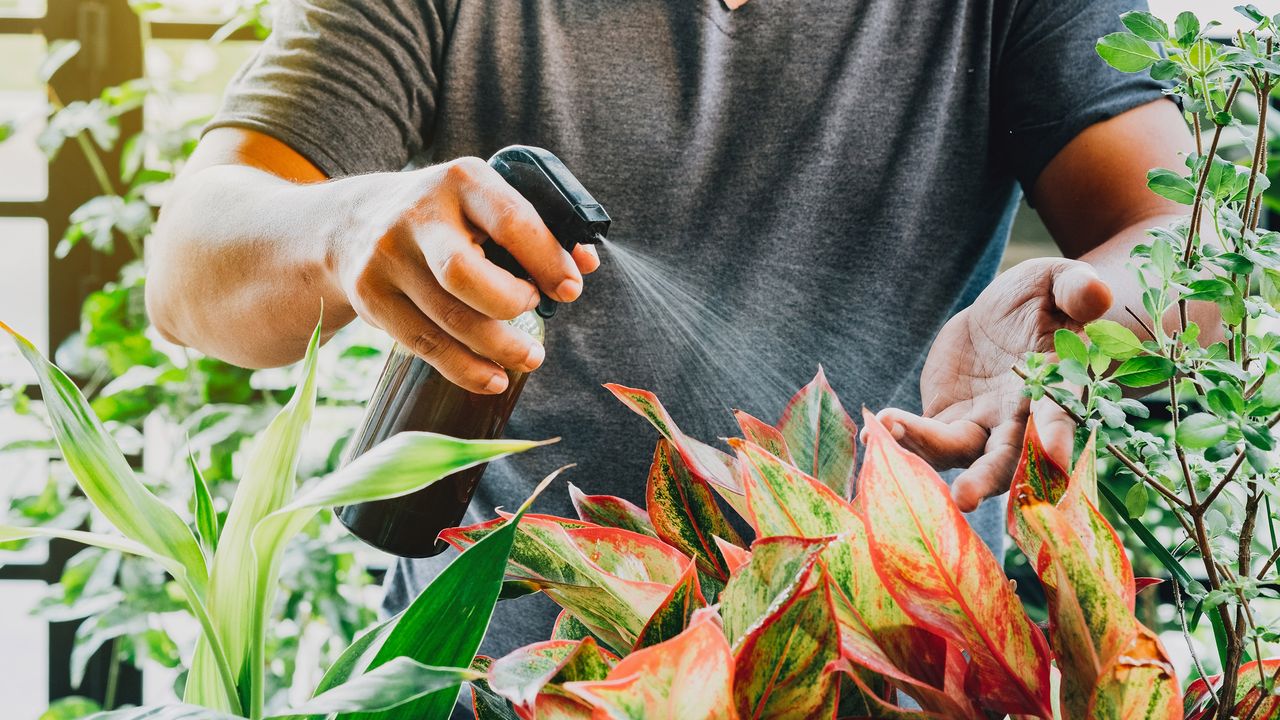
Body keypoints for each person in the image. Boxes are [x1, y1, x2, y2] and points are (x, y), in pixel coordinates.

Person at [148, 0, 1202, 674]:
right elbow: (191, 272)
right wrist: (338, 230)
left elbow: (1187, 241)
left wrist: (1079, 324)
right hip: (504, 678)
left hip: (893, 672)